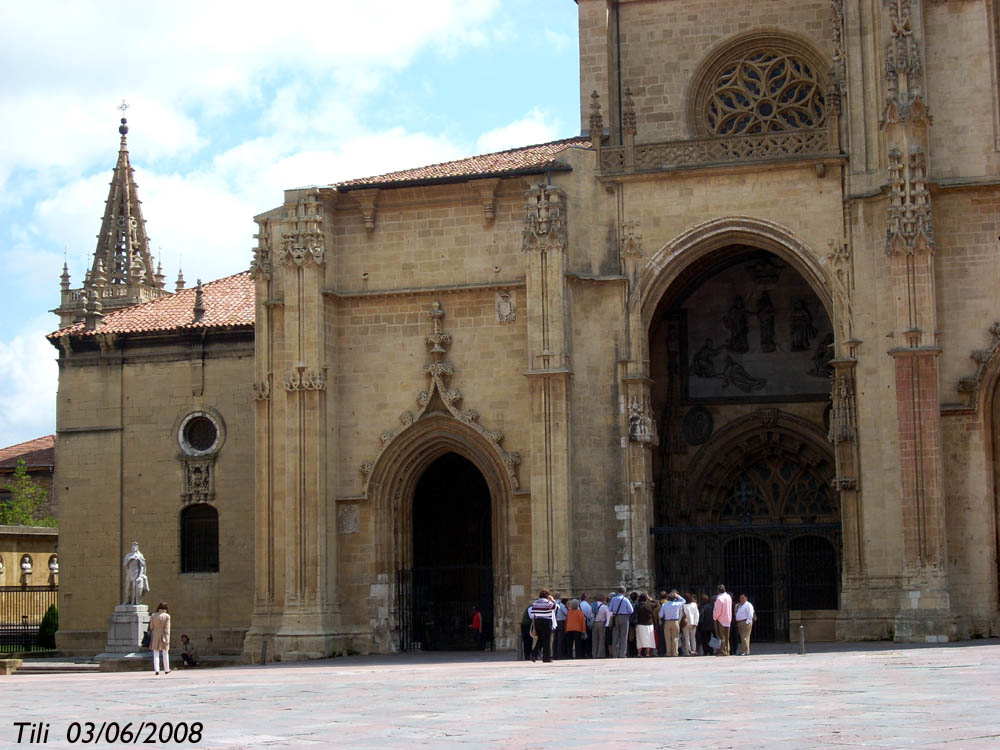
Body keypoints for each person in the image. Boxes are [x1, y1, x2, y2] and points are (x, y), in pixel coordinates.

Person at [529, 589, 557, 663]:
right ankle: (546, 658)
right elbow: (554, 607)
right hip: (546, 622)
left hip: (538, 622)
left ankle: (534, 654)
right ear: (547, 595)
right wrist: (553, 600)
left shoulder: (535, 603)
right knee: (547, 640)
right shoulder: (548, 602)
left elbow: (533, 612)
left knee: (540, 640)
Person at [608, 586, 634, 658]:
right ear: (624, 592)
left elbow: (610, 609)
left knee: (615, 636)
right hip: (624, 618)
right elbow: (631, 610)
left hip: (615, 617)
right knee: (624, 636)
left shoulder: (613, 599)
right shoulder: (626, 600)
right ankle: (622, 654)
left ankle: (615, 654)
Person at [658, 589, 685, 656]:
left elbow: (660, 615)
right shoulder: (677, 604)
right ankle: (675, 652)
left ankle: (668, 652)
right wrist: (677, 595)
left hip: (667, 622)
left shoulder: (664, 605)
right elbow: (684, 601)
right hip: (675, 621)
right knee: (675, 638)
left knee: (667, 638)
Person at [122, 541, 149, 606]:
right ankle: (127, 601)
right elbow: (124, 564)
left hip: (136, 573)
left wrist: (140, 576)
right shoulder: (128, 555)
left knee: (135, 588)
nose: (134, 547)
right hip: (129, 573)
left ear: (137, 547)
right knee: (127, 588)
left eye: (135, 546)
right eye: (133, 546)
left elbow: (142, 566)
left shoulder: (140, 555)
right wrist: (129, 559)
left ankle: (134, 602)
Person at [149, 601, 171, 675]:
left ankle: (157, 670)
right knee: (165, 653)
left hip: (155, 634)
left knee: (156, 653)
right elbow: (167, 628)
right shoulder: (167, 616)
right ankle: (166, 669)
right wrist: (167, 638)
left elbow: (151, 627)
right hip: (164, 635)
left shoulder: (153, 615)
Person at [713, 585, 733, 656]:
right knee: (727, 636)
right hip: (728, 618)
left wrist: (715, 617)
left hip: (721, 619)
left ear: (718, 590)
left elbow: (718, 610)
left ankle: (722, 651)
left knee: (722, 636)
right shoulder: (728, 597)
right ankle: (727, 650)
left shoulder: (719, 598)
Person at [552, 592, 568, 659]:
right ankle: (560, 655)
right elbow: (566, 613)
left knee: (555, 639)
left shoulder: (551, 604)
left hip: (554, 622)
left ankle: (554, 654)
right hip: (561, 622)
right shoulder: (561, 605)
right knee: (560, 639)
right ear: (559, 597)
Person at [579, 593, 594, 658]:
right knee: (588, 639)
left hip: (579, 623)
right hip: (586, 623)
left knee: (581, 639)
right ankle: (588, 653)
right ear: (585, 598)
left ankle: (582, 653)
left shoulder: (579, 604)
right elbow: (590, 615)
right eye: (588, 597)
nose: (589, 598)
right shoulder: (587, 605)